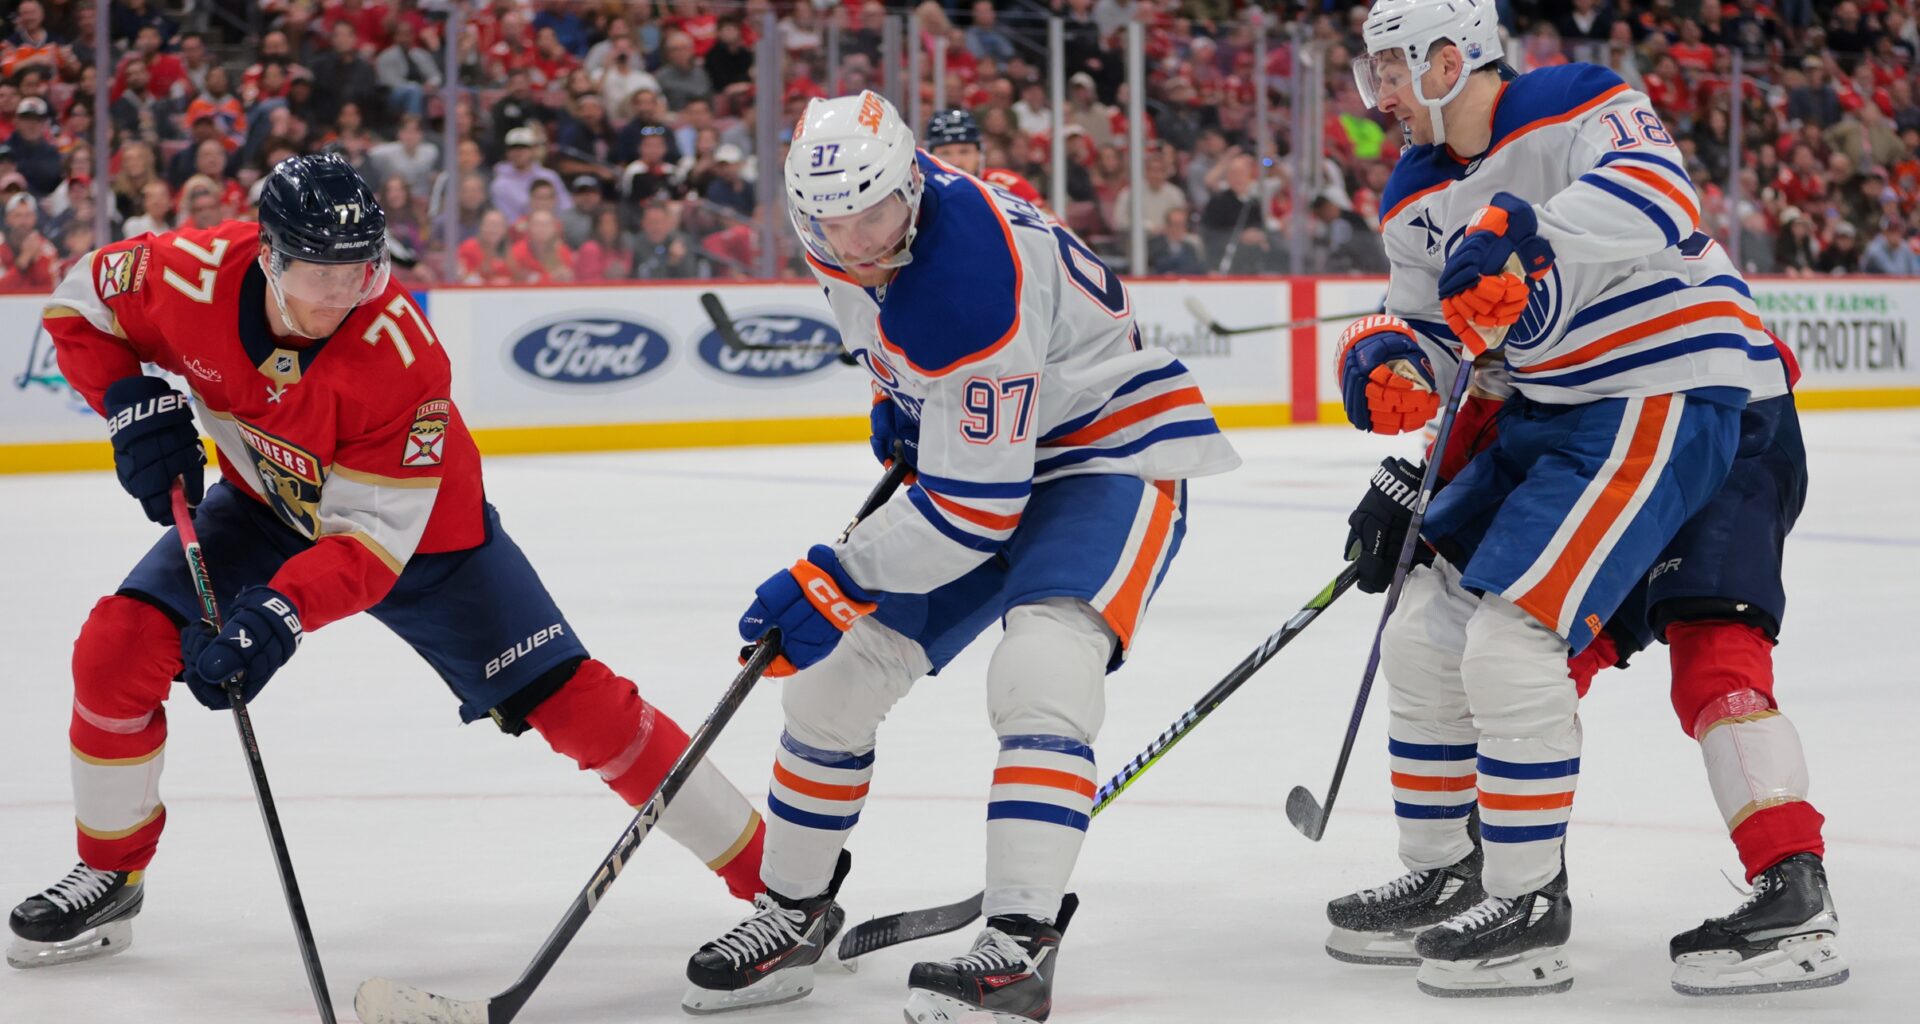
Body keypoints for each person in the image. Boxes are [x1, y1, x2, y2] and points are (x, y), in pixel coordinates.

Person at [6, 154, 771, 970]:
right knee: (118, 645)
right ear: (268, 253)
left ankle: (783, 888)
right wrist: (125, 400)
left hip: (430, 546)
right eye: (320, 272)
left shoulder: (399, 351)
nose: (345, 293)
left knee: (584, 709)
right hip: (265, 509)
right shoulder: (188, 276)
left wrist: (278, 612)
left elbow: (370, 546)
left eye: (362, 268)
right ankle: (111, 869)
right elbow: (80, 296)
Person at [679, 91, 1239, 1023]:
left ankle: (1018, 945)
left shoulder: (967, 274)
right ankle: (793, 912)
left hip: (1104, 457)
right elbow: (923, 387)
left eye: (874, 215)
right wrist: (906, 409)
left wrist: (836, 576)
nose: (857, 242)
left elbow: (973, 514)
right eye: (832, 221)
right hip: (985, 463)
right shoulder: (849, 229)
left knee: (1043, 669)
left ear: (910, 185)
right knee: (830, 688)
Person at [1322, 0, 1797, 998]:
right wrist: (1390, 359)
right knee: (1423, 627)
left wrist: (1527, 235)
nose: (1382, 95)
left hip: (1657, 384)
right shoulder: (1411, 188)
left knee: (1513, 638)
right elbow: (1441, 331)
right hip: (1549, 408)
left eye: (1393, 69)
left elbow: (1659, 195)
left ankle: (1531, 904)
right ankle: (1449, 873)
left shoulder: (1573, 100)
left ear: (1452, 58)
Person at [923, 108, 1045, 207]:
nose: (956, 161)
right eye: (945, 153)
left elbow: (1056, 231)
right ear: (929, 157)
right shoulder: (919, 196)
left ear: (979, 154)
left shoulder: (1009, 186)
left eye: (964, 151)